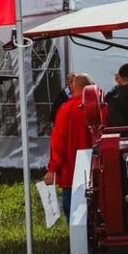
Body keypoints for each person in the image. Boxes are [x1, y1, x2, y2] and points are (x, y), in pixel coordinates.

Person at [44, 73, 94, 219]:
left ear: (73, 87)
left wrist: (52, 168)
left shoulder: (66, 109)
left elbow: (58, 141)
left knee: (73, 210)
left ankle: (78, 239)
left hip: (71, 170)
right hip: (97, 167)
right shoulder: (102, 107)